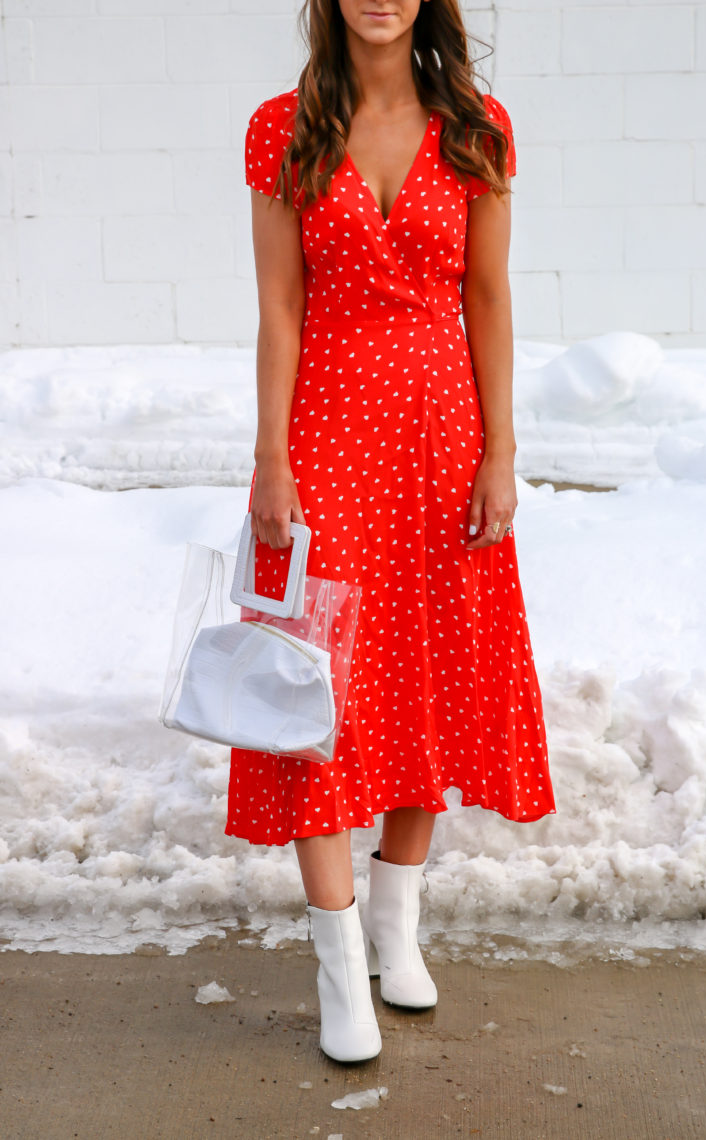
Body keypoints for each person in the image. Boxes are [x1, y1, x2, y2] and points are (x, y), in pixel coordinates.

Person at [226, 0, 556, 1063]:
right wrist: (270, 458)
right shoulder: (281, 126)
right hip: (323, 434)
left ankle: (394, 927)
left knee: (427, 674)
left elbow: (489, 298)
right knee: (313, 691)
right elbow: (278, 305)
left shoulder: (475, 125)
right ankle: (336, 971)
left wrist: (499, 452)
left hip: (439, 442)